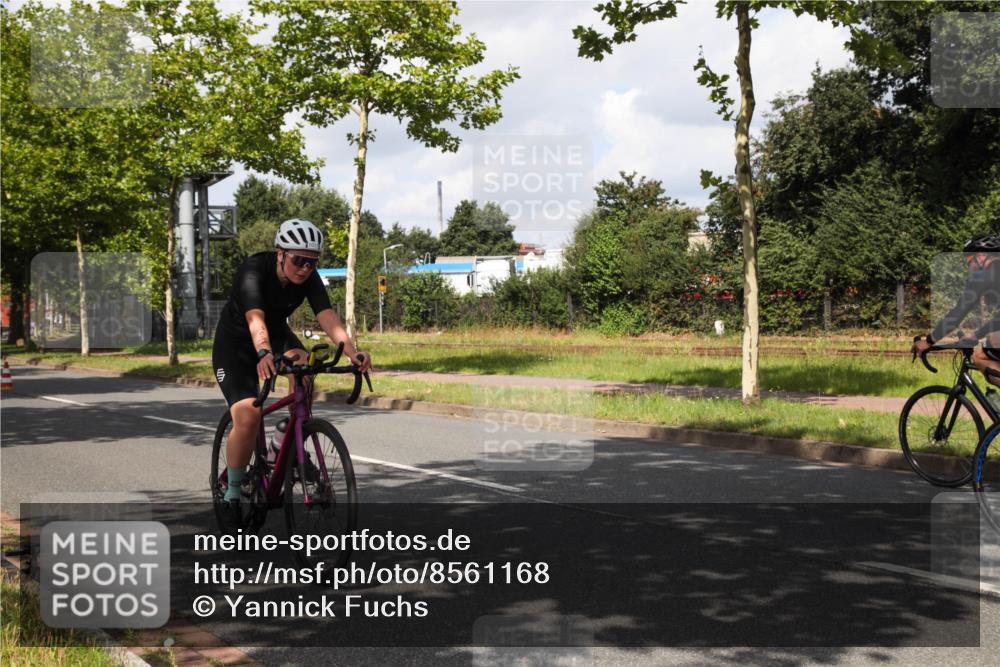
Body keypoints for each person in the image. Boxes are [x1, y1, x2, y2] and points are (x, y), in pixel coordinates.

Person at [212, 218, 372, 506]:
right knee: (248, 415)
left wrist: (352, 352)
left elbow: (327, 316)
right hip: (235, 344)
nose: (305, 268)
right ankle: (232, 488)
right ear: (281, 253)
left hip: (275, 336)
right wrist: (262, 352)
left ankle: (280, 444)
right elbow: (255, 318)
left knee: (304, 370)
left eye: (312, 262)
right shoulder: (253, 270)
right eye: (298, 260)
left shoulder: (309, 277)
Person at [912, 233, 1000, 387]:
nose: (969, 266)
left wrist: (928, 341)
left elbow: (958, 313)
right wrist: (977, 334)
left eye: (968, 260)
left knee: (980, 356)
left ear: (981, 256)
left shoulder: (984, 275)